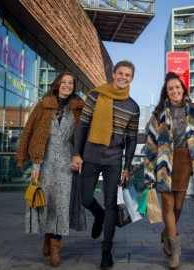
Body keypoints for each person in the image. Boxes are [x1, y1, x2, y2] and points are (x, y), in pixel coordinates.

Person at [71, 60, 140, 270]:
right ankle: (98, 214)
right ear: (113, 73)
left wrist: (127, 166)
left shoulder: (133, 107)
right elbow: (83, 126)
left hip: (113, 162)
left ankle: (106, 251)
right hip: (91, 156)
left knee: (111, 205)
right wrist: (77, 153)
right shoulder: (95, 95)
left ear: (132, 78)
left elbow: (131, 139)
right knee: (85, 198)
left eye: (127, 75)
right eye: (120, 73)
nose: (123, 77)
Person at [15, 72, 85, 267]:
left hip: (67, 163)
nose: (67, 85)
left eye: (71, 83)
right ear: (57, 84)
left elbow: (84, 135)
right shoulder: (43, 105)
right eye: (64, 82)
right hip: (43, 163)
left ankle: (56, 247)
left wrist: (81, 157)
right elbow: (28, 130)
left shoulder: (79, 108)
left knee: (61, 206)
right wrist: (26, 159)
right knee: (45, 204)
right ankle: (47, 236)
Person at [144, 72, 194, 269]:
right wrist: (149, 169)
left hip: (185, 160)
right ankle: (175, 249)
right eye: (170, 88)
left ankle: (167, 233)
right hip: (164, 163)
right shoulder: (159, 112)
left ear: (183, 88)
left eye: (177, 87)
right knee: (168, 206)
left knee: (178, 206)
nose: (174, 91)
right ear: (166, 92)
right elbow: (151, 143)